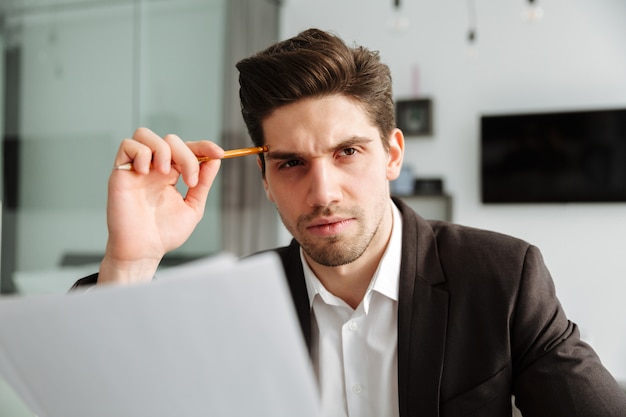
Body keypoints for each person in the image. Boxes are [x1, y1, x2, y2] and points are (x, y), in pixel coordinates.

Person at [73, 28, 626, 416]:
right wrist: (132, 259)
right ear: (265, 178)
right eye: (291, 163)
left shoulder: (503, 277)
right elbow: (95, 399)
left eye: (347, 153)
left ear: (392, 154)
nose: (323, 192)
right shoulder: (235, 304)